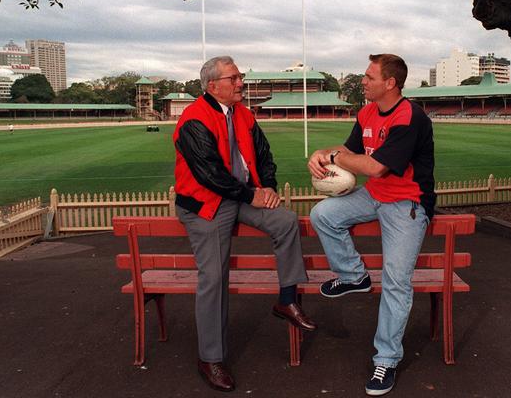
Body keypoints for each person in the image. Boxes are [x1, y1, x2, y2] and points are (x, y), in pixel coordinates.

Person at [173, 56, 315, 392]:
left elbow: (263, 154)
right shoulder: (193, 119)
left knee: (284, 221)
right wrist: (249, 195)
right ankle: (210, 357)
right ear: (213, 85)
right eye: (234, 78)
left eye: (240, 76)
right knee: (214, 276)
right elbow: (209, 173)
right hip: (206, 202)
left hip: (238, 196)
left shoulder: (243, 114)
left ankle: (286, 299)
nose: (241, 82)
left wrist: (266, 187)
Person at [308, 54, 435, 397]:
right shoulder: (366, 112)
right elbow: (349, 150)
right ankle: (353, 276)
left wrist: (336, 159)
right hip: (374, 195)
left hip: (406, 203)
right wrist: (322, 151)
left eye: (368, 77)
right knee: (323, 215)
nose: (362, 81)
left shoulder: (410, 116)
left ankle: (387, 359)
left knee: (396, 281)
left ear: (389, 83)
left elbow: (377, 167)